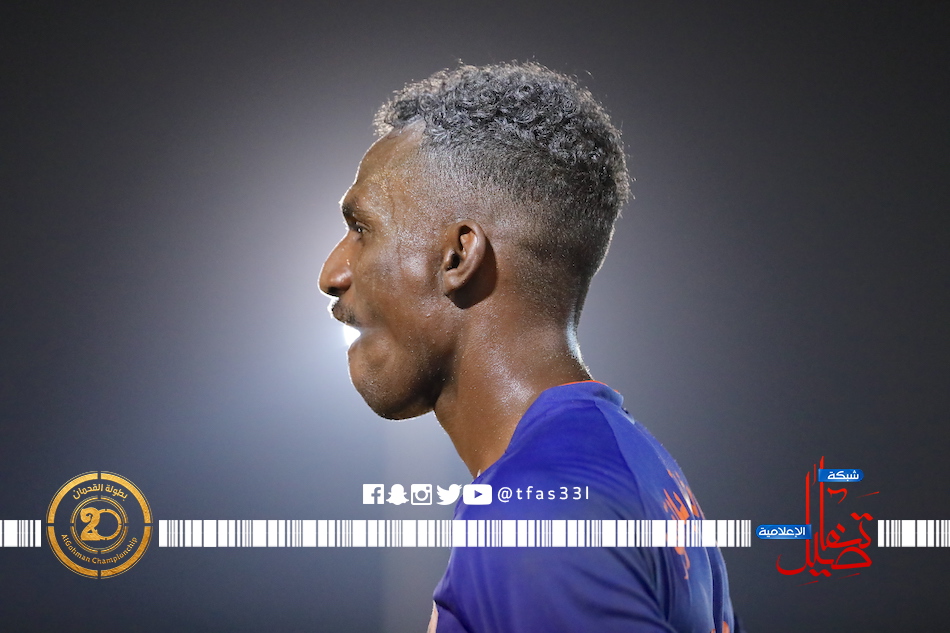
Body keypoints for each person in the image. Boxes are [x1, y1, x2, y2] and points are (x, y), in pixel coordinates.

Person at [319, 62, 741, 633]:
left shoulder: (534, 511)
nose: (332, 273)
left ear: (457, 257)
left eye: (362, 229)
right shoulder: (642, 469)